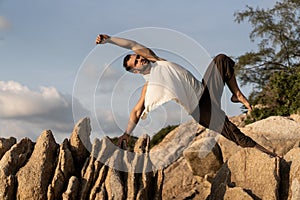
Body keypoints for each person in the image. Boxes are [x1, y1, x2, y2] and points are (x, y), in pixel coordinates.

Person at [95, 34, 279, 158]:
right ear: (135, 71)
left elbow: (132, 44)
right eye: (136, 61)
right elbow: (136, 111)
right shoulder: (150, 86)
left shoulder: (155, 59)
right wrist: (127, 134)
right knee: (233, 132)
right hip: (200, 110)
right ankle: (270, 157)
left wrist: (109, 39)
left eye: (137, 57)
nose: (139, 59)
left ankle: (236, 94)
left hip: (205, 90)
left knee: (221, 60)